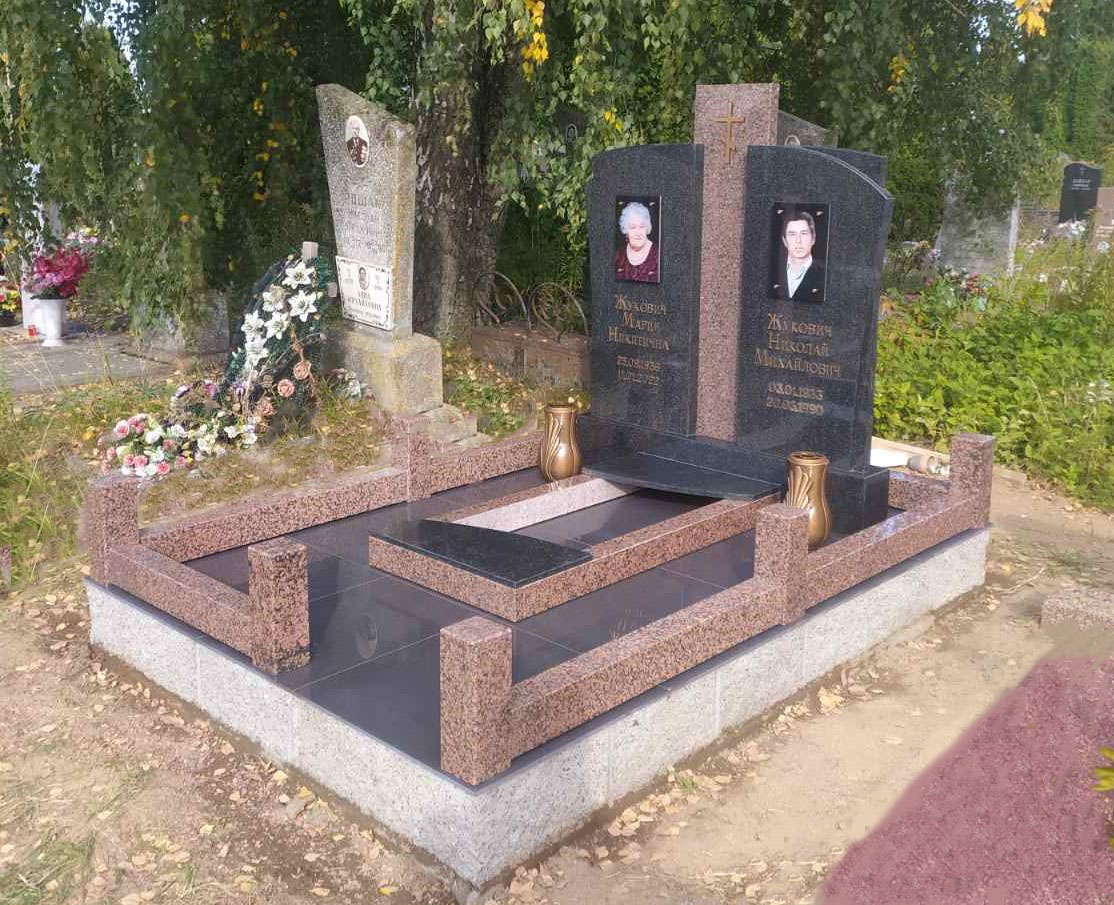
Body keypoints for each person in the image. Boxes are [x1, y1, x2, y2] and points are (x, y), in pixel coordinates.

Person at [775, 210, 825, 301]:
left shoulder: (825, 273)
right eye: (792, 234)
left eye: (804, 234)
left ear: (813, 238)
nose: (798, 241)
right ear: (785, 241)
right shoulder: (772, 271)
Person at [614, 201, 660, 283]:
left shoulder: (658, 254)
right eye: (633, 227)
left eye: (642, 226)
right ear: (625, 231)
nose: (638, 233)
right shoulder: (619, 254)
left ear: (647, 228)